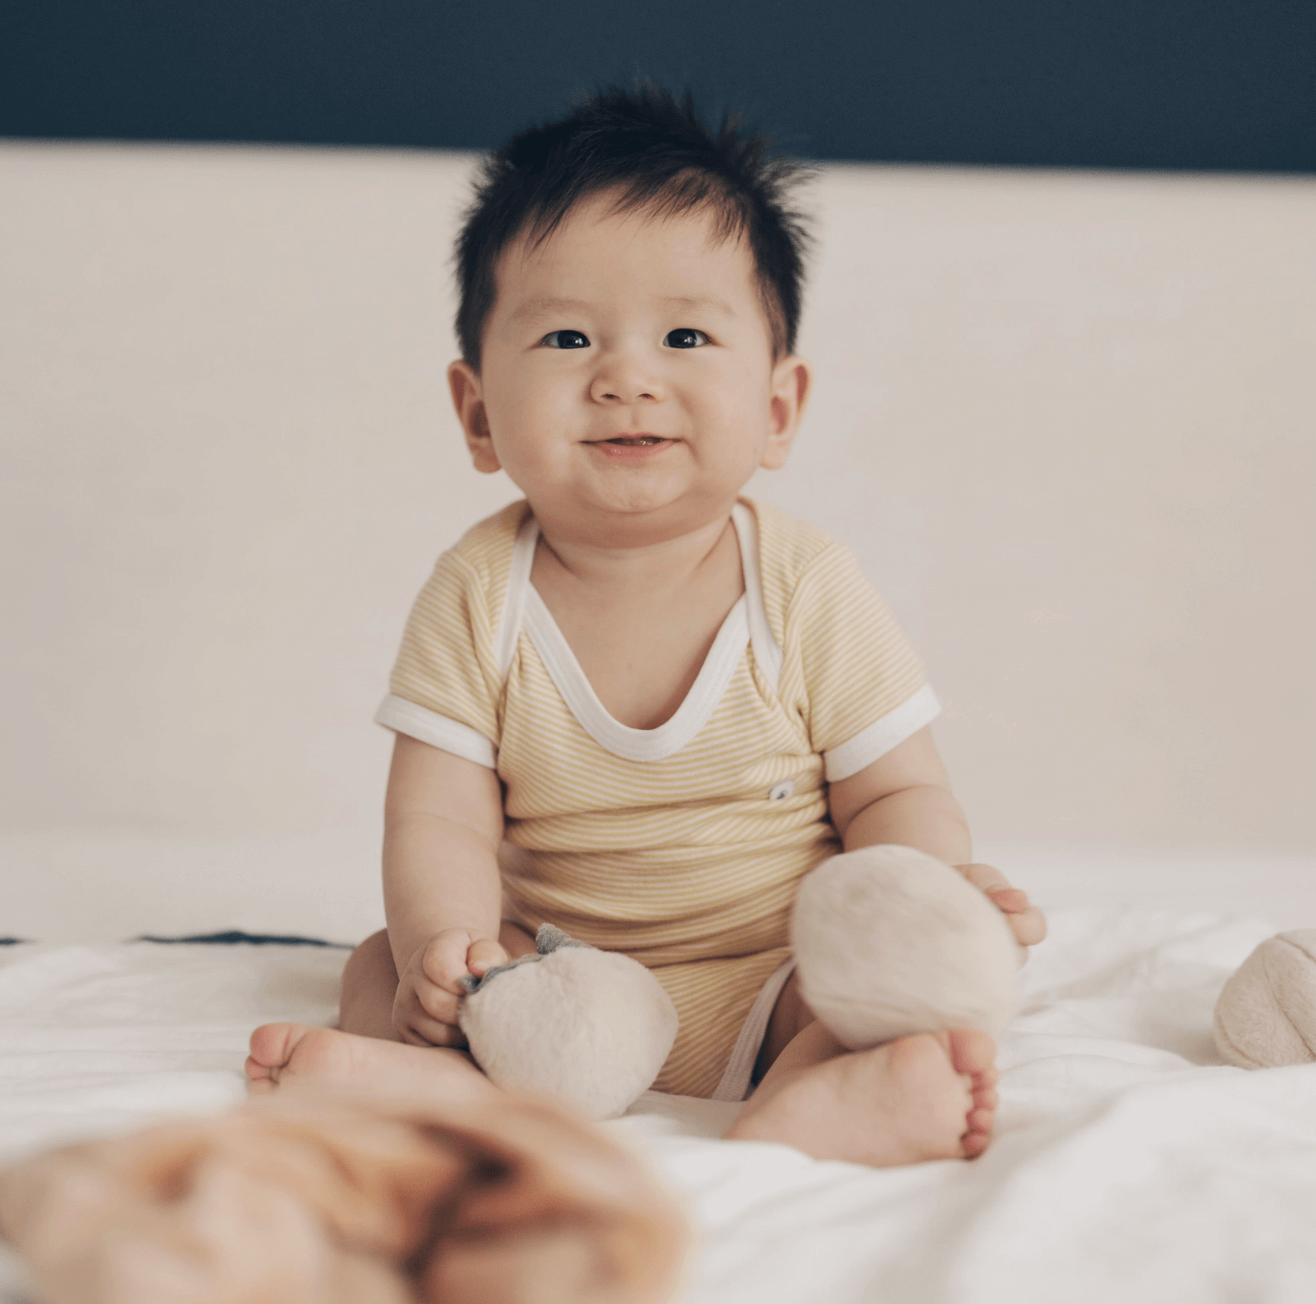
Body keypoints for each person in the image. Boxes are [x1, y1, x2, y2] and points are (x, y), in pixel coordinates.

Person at [246, 84, 1047, 1167]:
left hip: (772, 964)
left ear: (775, 407)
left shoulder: (802, 583)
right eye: (568, 335)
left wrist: (919, 894)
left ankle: (819, 1096)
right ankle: (437, 1075)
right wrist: (452, 951)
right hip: (550, 976)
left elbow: (896, 790)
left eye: (682, 334)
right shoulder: (478, 590)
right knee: (383, 960)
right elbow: (437, 822)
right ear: (478, 412)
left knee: (887, 982)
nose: (626, 377)